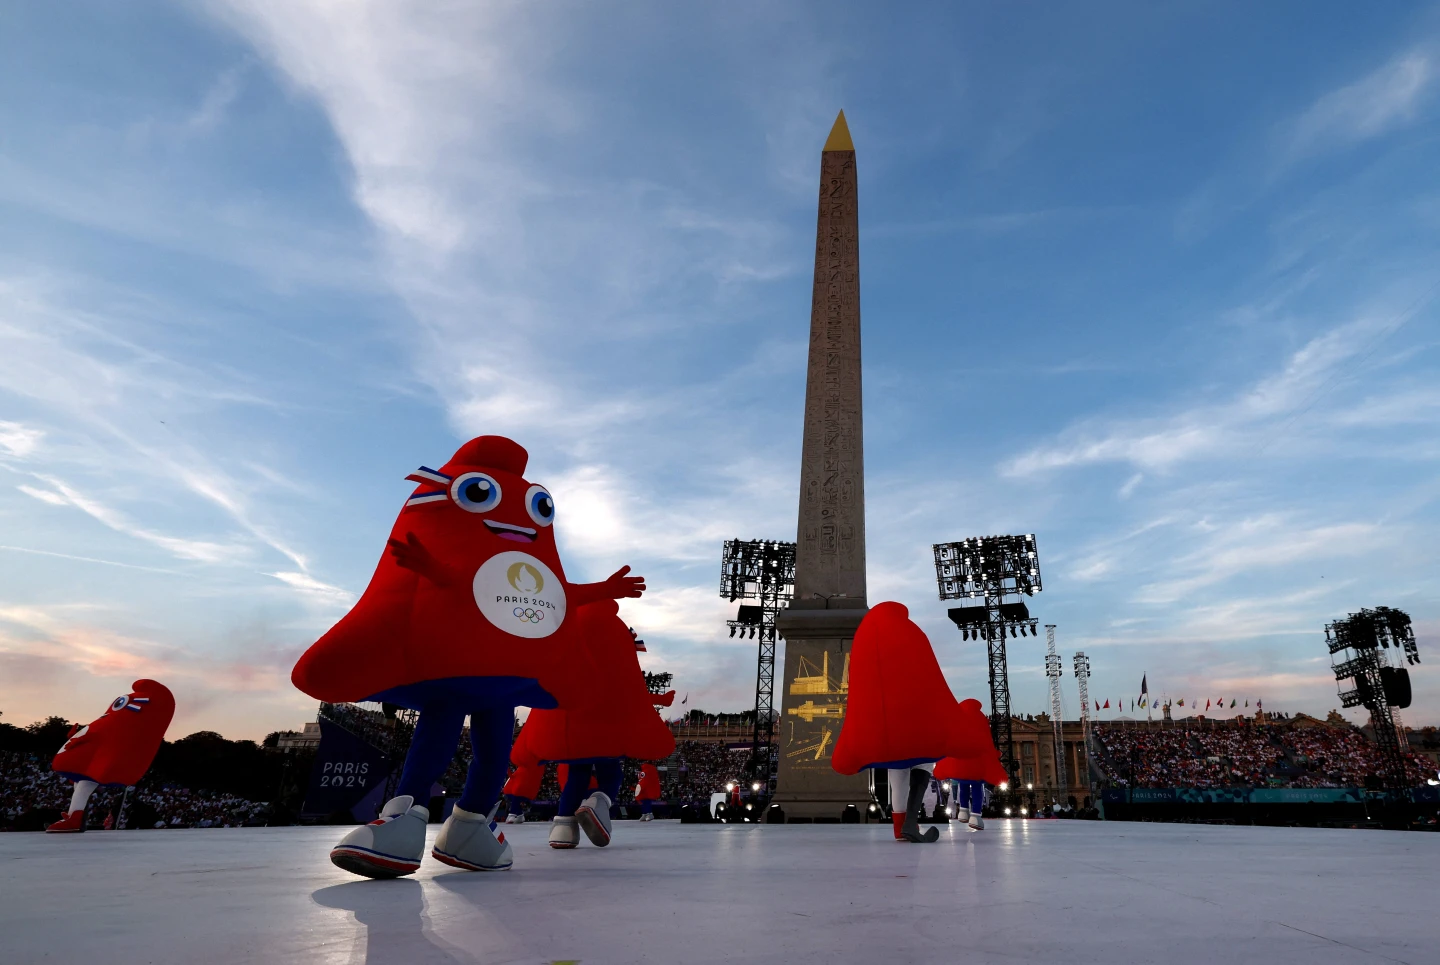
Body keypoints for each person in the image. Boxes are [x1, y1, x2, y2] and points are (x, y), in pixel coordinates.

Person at [291, 436, 645, 878]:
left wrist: (606, 589)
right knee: (453, 738)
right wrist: (427, 565)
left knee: (490, 753)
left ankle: (468, 823)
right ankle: (410, 817)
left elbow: (555, 594)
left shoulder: (528, 566)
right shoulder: (469, 539)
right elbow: (464, 578)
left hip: (503, 678)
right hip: (466, 676)